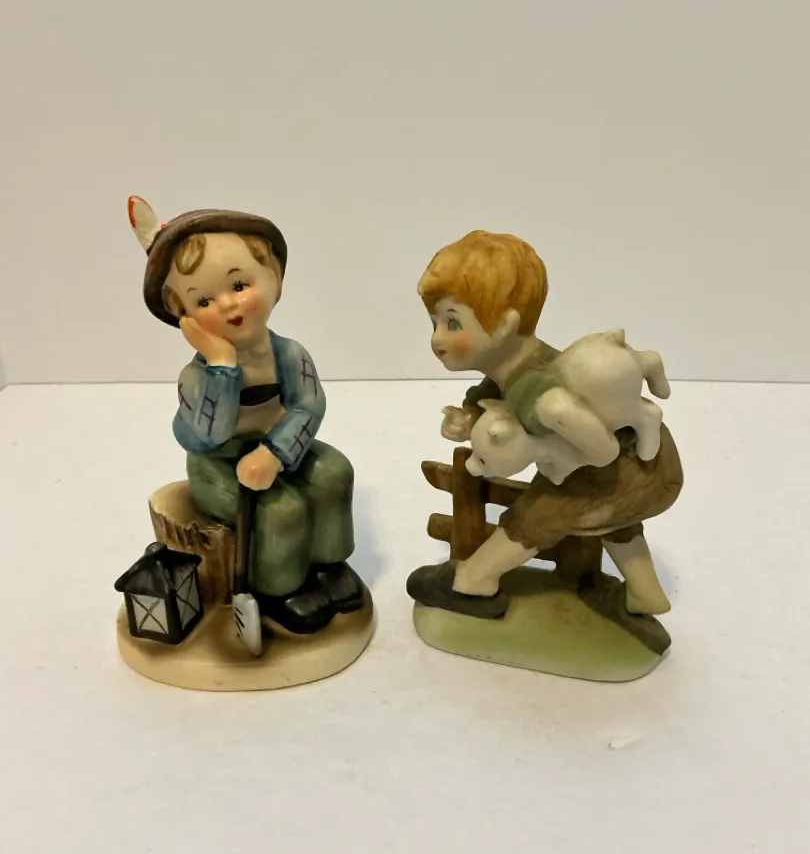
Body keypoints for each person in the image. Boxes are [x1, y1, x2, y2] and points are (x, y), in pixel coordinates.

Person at [408, 230, 683, 618]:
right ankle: (646, 592)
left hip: (637, 466)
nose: (437, 339)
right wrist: (469, 420)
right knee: (604, 515)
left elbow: (603, 453)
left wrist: (563, 467)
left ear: (504, 326)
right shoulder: (512, 373)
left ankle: (473, 581)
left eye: (453, 324)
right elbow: (497, 404)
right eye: (435, 323)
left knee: (538, 514)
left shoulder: (539, 395)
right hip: (641, 464)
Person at [128, 197, 365, 645]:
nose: (227, 305)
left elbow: (308, 406)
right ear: (184, 317)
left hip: (278, 447)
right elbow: (207, 435)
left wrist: (275, 453)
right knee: (280, 509)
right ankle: (280, 589)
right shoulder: (196, 377)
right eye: (203, 300)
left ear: (274, 280)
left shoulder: (289, 354)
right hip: (218, 465)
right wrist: (222, 364)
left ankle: (328, 566)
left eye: (239, 285)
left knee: (334, 472)